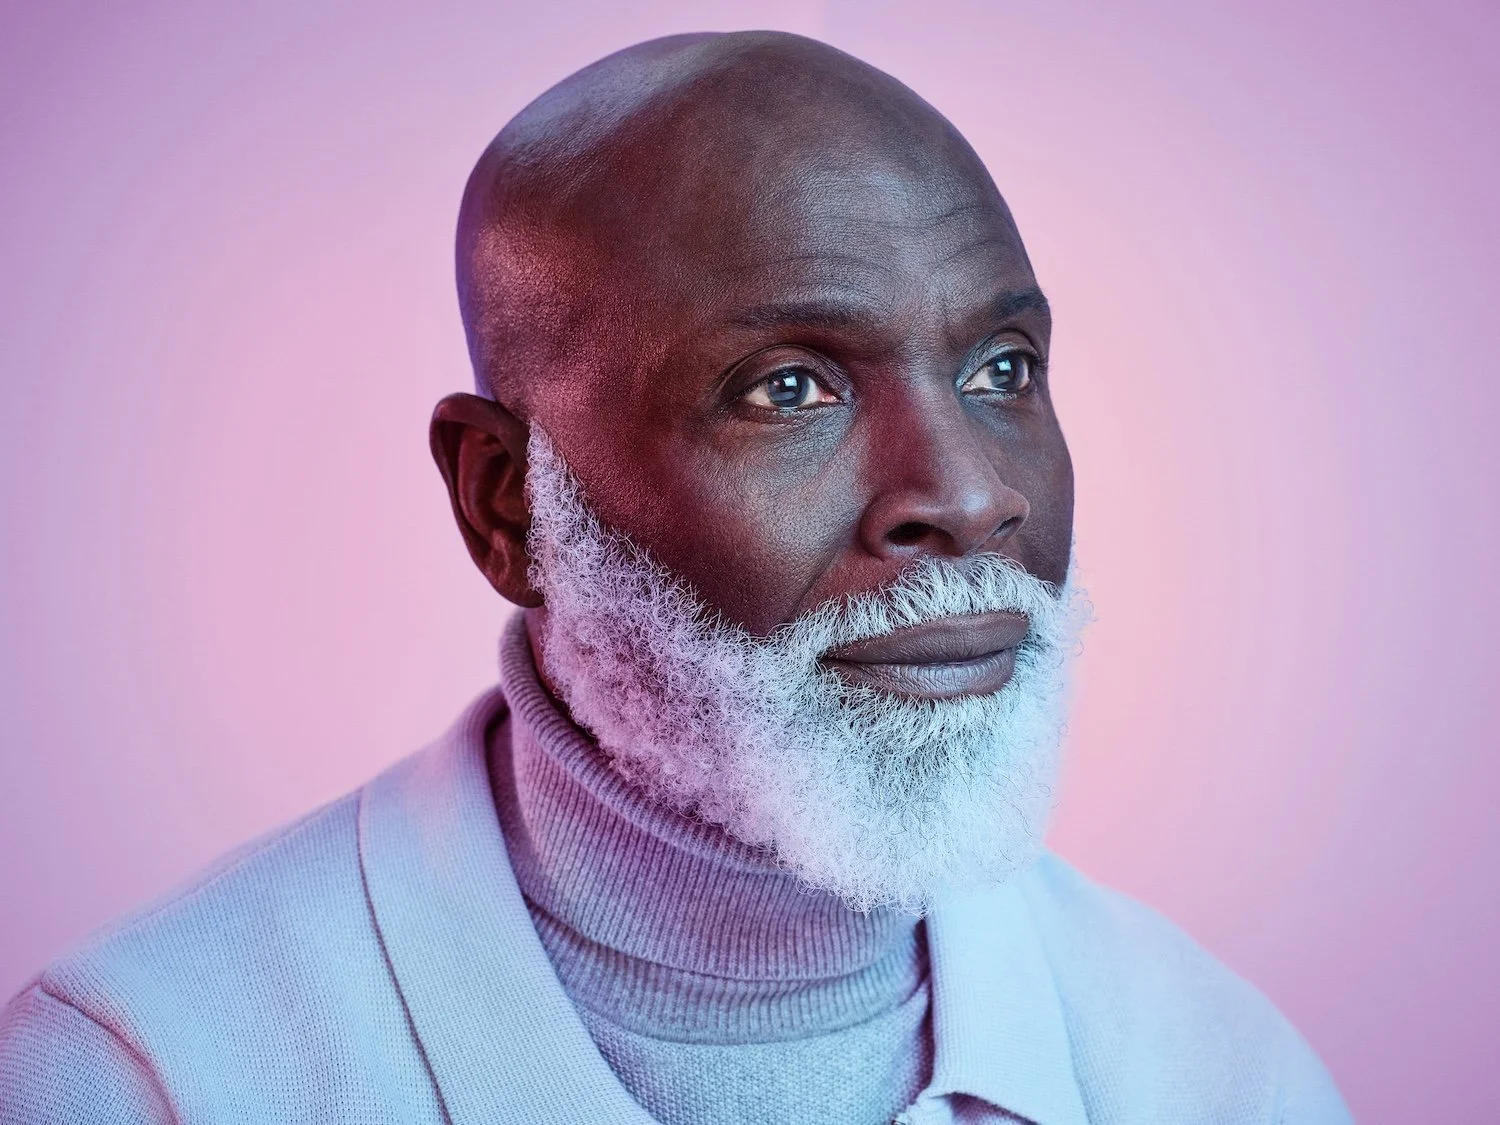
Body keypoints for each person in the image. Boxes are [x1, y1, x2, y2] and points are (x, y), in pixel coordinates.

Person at [0, 30, 1353, 1125]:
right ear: (504, 501)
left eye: (1002, 371)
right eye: (789, 388)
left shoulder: (1217, 1076)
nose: (965, 494)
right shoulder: (152, 1072)